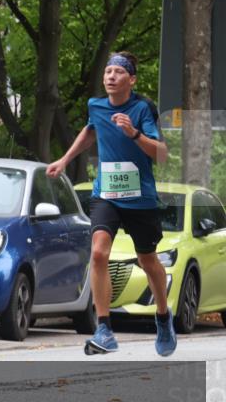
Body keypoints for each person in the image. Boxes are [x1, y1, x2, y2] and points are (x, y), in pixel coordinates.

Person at [46, 51, 173, 356]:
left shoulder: (142, 108)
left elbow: (162, 154)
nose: (111, 76)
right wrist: (65, 159)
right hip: (107, 195)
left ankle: (163, 315)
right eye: (107, 71)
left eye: (118, 72)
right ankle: (104, 328)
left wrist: (134, 133)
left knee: (148, 261)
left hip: (140, 199)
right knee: (99, 253)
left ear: (132, 79)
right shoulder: (96, 105)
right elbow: (91, 130)